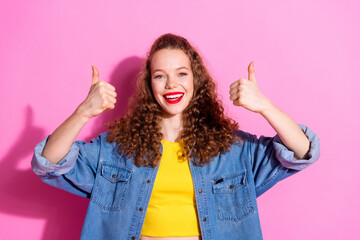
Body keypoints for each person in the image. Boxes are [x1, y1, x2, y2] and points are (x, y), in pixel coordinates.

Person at [32, 33, 320, 240]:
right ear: (149, 84)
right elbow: (48, 162)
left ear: (196, 80)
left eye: (182, 73)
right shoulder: (117, 149)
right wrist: (83, 113)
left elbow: (302, 151)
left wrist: (264, 106)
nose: (171, 84)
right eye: (160, 75)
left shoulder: (231, 149)